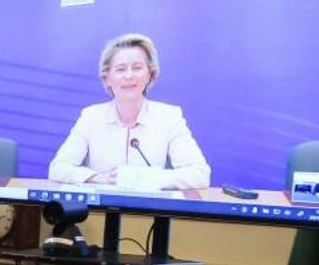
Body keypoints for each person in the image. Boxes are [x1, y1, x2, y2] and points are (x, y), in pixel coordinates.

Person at [48, 33, 210, 190]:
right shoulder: (91, 117)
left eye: (137, 68)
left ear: (150, 75)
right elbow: (58, 169)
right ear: (107, 78)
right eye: (120, 69)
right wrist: (98, 178)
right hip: (100, 212)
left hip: (150, 212)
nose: (129, 76)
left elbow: (200, 174)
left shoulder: (169, 117)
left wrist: (148, 178)